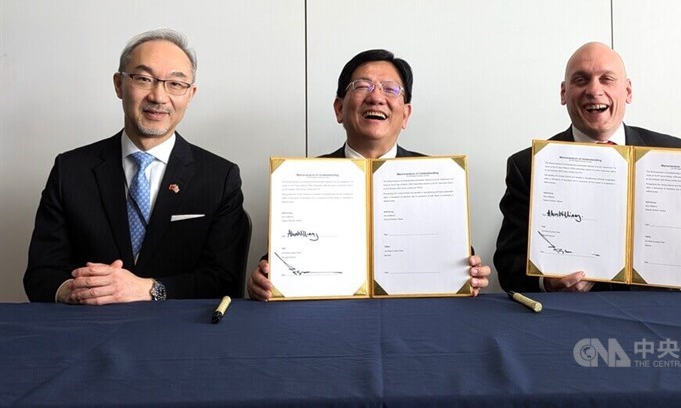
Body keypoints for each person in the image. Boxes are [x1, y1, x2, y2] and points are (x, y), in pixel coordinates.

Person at [494, 41, 681, 293]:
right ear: (564, 92)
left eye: (607, 79)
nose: (594, 90)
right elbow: (508, 268)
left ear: (628, 91)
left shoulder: (675, 153)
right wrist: (549, 284)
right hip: (571, 316)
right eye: (580, 79)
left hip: (657, 316)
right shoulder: (527, 166)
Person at [24, 29, 249, 304]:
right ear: (119, 84)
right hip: (88, 325)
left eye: (175, 84)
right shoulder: (70, 170)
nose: (158, 96)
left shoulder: (219, 177)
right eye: (144, 79)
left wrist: (149, 289)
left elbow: (225, 281)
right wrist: (75, 290)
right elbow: (40, 275)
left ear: (190, 95)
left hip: (181, 333)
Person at [247, 49, 491, 300]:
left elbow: (458, 264)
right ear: (339, 109)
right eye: (363, 85)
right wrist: (262, 282)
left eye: (390, 88)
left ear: (405, 114)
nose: (376, 97)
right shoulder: (302, 179)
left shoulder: (438, 177)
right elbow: (281, 263)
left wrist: (469, 276)